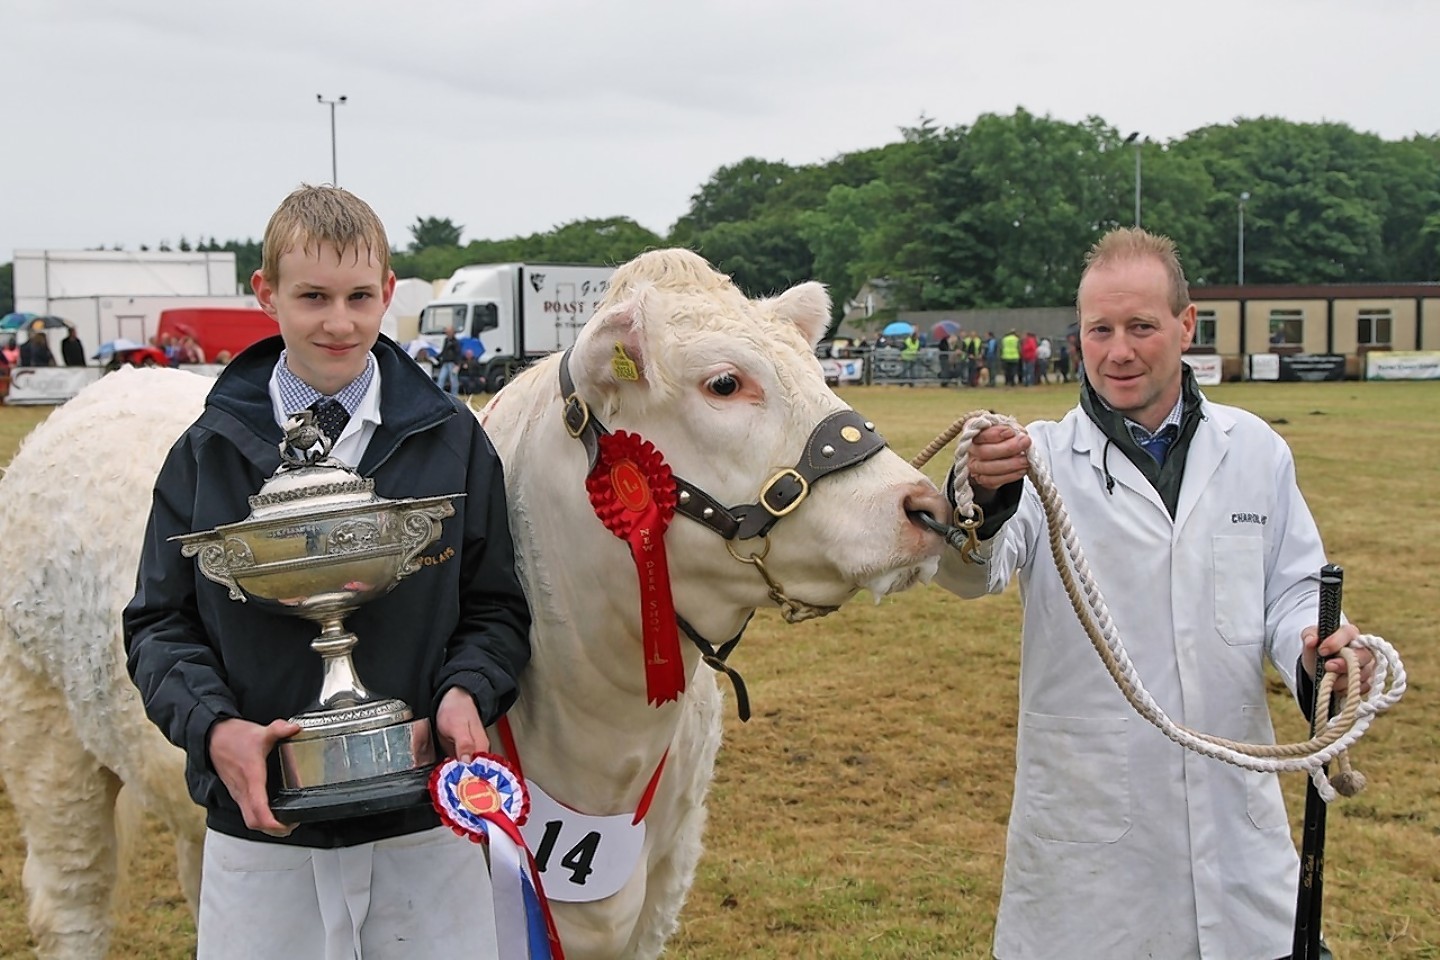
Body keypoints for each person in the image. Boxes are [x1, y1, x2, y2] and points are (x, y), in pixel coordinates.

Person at [935, 227, 1373, 960]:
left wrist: (1317, 651)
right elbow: (974, 572)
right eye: (1099, 330)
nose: (1119, 351)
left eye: (1141, 326)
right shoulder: (1039, 460)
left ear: (1186, 325)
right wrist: (986, 495)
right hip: (1092, 847)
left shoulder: (1255, 449)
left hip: (1238, 833)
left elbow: (1293, 590)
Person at [123, 184, 532, 959]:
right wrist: (215, 730)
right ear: (265, 293)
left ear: (388, 293)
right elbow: (157, 624)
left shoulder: (454, 441)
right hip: (263, 836)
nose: (338, 322)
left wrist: (464, 694)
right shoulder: (204, 453)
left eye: (357, 297)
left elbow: (497, 609)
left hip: (425, 833)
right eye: (311, 297)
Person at [435, 325, 461, 394]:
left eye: (448, 332)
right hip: (445, 362)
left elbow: (458, 353)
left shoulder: (456, 342)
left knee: (453, 381)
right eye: (446, 332)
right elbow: (444, 351)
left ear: (452, 333)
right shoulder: (446, 340)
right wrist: (437, 356)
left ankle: (454, 395)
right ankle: (439, 394)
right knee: (441, 379)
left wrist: (458, 364)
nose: (447, 334)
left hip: (452, 363)